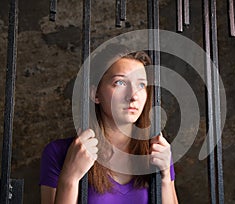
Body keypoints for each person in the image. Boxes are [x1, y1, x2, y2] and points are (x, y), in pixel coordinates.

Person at [39, 45, 178, 204]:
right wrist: (69, 179)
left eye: (141, 85)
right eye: (120, 83)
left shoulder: (156, 151)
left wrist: (166, 177)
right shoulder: (59, 152)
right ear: (95, 94)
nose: (133, 96)